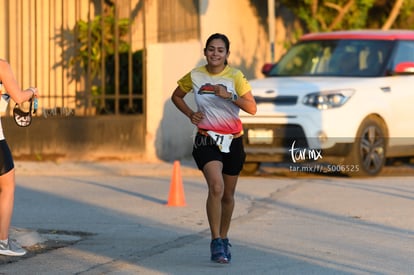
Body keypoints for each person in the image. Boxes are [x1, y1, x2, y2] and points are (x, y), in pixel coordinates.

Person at [171, 33, 256, 263]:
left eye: (220, 50)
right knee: (216, 187)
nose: (215, 53)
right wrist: (191, 114)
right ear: (205, 52)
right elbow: (176, 96)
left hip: (233, 140)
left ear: (227, 54)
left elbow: (252, 108)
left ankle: (225, 237)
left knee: (228, 195)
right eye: (211, 49)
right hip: (206, 138)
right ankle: (216, 240)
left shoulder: (236, 76)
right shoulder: (196, 75)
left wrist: (230, 96)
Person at [0, 59, 39, 256]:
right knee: (7, 187)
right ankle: (3, 242)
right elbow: (19, 97)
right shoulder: (1, 66)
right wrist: (31, 91)